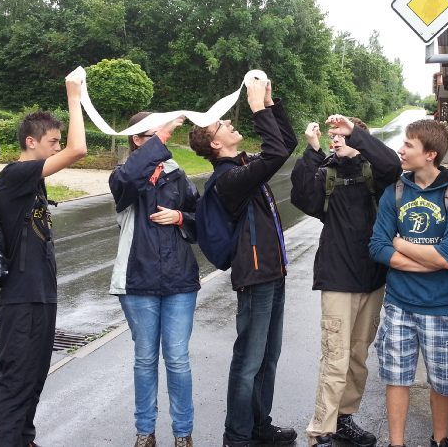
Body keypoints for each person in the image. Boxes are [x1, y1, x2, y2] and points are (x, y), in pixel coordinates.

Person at [188, 77, 298, 447]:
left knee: (268, 358)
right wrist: (255, 108)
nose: (229, 122)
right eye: (221, 124)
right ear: (215, 144)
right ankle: (237, 435)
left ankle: (259, 426)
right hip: (254, 277)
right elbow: (276, 154)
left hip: (274, 272)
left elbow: (286, 145)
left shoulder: (243, 165)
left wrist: (271, 104)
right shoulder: (228, 179)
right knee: (249, 360)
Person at [290, 115, 401, 447]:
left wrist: (355, 135)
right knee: (335, 357)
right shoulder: (326, 172)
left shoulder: (376, 173)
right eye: (333, 135)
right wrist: (312, 151)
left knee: (357, 357)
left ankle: (343, 419)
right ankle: (320, 431)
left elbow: (392, 165)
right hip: (338, 277)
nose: (335, 139)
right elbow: (302, 197)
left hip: (373, 278)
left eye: (343, 135)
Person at [0, 72, 87, 446]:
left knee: (34, 378)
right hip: (21, 299)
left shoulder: (34, 181)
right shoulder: (14, 175)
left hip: (42, 296)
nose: (57, 148)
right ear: (30, 142)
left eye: (58, 142)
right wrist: (74, 97)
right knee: (16, 381)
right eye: (52, 142)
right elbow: (78, 150)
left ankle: (24, 439)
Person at [369, 119, 448, 447]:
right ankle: (396, 443)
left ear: (430, 154)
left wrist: (400, 244)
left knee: (443, 381)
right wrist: (429, 261)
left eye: (408, 145)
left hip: (441, 308)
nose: (400, 150)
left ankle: (439, 440)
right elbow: (377, 247)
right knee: (396, 378)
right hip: (398, 304)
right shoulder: (396, 191)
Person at [109, 113, 200, 447]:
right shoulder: (122, 176)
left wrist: (180, 217)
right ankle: (145, 432)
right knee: (145, 359)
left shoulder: (177, 174)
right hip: (137, 282)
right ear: (137, 140)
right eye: (156, 137)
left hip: (180, 281)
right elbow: (129, 180)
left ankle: (183, 434)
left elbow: (200, 217)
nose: (164, 143)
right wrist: (161, 136)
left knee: (177, 359)